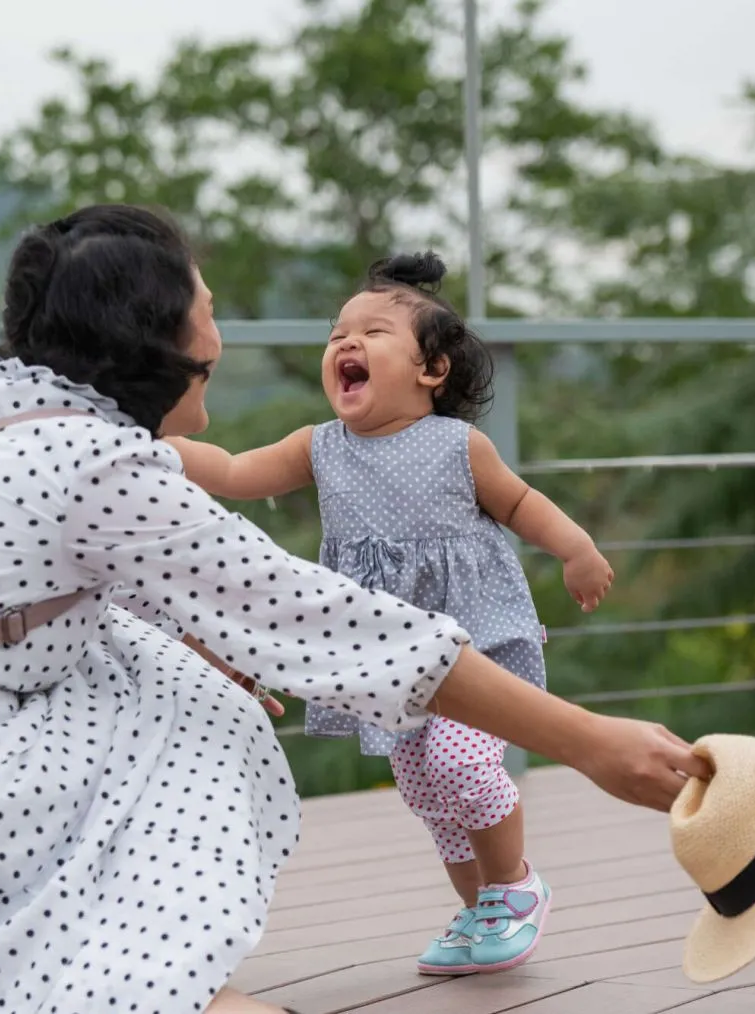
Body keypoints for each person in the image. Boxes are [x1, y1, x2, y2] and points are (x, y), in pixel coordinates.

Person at [0, 205, 706, 1014]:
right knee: (192, 709)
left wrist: (187, 636)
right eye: (203, 301)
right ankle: (136, 984)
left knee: (172, 667)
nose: (220, 318)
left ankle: (83, 968)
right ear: (161, 338)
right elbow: (334, 629)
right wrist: (587, 743)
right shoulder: (97, 467)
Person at [167, 251, 614, 977]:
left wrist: (576, 548)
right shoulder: (320, 447)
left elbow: (522, 505)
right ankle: (478, 912)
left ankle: (514, 886)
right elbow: (235, 471)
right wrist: (157, 445)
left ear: (431, 370)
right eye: (337, 332)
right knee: (425, 787)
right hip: (382, 657)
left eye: (372, 333)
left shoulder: (458, 445)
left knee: (458, 762)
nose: (346, 344)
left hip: (476, 640)